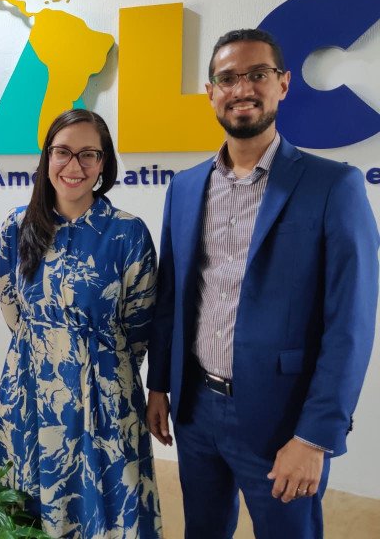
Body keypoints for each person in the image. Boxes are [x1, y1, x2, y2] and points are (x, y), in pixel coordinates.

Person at [146, 28, 379, 539]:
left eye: (257, 75)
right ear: (210, 92)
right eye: (227, 78)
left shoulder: (333, 186)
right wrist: (159, 384)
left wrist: (315, 437)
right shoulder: (185, 189)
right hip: (195, 411)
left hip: (283, 421)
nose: (241, 88)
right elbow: (172, 297)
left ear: (284, 85)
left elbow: (352, 326)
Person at [0, 109, 161, 538]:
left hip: (106, 394)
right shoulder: (17, 227)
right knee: (30, 510)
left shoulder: (128, 233)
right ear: (47, 158)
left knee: (107, 507)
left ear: (103, 164)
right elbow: (14, 312)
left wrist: (92, 362)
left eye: (89, 154)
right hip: (30, 391)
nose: (74, 166)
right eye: (63, 152)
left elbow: (140, 326)